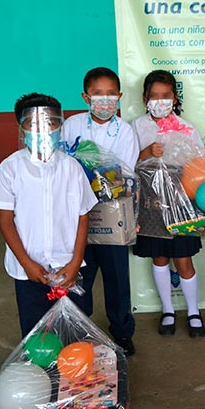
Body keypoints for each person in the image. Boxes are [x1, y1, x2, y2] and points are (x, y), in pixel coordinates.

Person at [0, 93, 98, 338]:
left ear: (61, 125)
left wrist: (74, 263)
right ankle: (41, 376)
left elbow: (83, 217)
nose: (43, 129)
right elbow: (6, 220)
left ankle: (71, 376)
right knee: (36, 335)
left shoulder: (72, 168)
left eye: (51, 122)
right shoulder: (10, 168)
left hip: (68, 268)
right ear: (21, 128)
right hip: (28, 270)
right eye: (33, 123)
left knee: (74, 334)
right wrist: (27, 264)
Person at [62, 67, 139, 356]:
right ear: (85, 97)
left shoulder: (125, 131)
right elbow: (65, 161)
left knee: (117, 276)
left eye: (110, 95)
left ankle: (122, 331)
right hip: (77, 214)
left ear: (119, 97)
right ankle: (82, 330)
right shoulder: (72, 125)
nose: (104, 101)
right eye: (97, 94)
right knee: (81, 272)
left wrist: (97, 176)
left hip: (111, 212)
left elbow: (126, 174)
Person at [131, 69, 205, 338]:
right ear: (144, 98)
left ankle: (194, 311)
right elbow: (128, 164)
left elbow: (200, 164)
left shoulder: (186, 128)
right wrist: (147, 152)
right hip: (150, 202)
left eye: (166, 96)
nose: (160, 101)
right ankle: (167, 310)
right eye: (154, 96)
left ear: (175, 98)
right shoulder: (137, 127)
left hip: (179, 201)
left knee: (183, 258)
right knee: (160, 256)